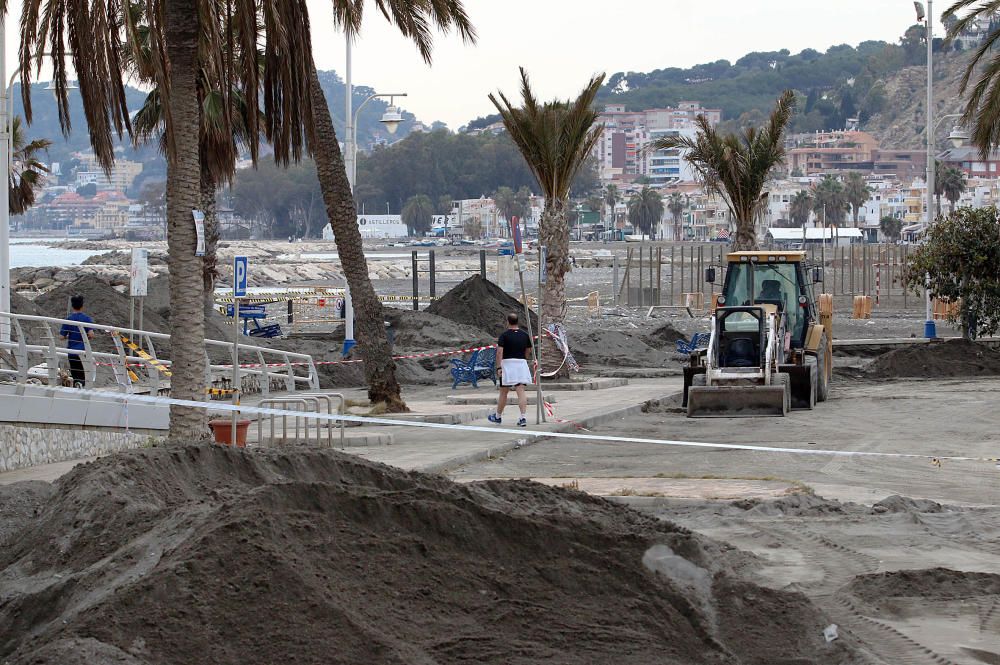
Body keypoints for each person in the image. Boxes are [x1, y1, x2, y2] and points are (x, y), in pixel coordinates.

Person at [488, 312, 533, 427]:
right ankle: (523, 418)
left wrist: (498, 367)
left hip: (507, 364)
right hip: (521, 364)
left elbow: (499, 352)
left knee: (504, 392)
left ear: (507, 322)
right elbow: (529, 350)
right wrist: (524, 358)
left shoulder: (504, 336)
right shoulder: (525, 335)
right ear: (518, 321)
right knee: (521, 391)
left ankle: (498, 416)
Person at [59, 295, 95, 388]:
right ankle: (82, 389)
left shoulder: (69, 319)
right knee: (84, 374)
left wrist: (68, 336)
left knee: (75, 374)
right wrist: (86, 337)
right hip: (83, 351)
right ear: (82, 306)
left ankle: (77, 387)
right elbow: (91, 334)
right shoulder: (87, 319)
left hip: (72, 352)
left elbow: (61, 337)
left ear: (72, 306)